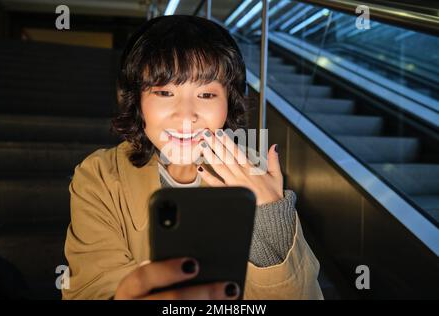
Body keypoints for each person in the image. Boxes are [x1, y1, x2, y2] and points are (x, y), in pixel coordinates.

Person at [62, 15, 323, 300]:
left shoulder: (252, 171)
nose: (186, 114)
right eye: (164, 92)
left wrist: (272, 221)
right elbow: (91, 289)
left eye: (207, 94)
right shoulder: (99, 175)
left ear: (229, 103)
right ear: (135, 100)